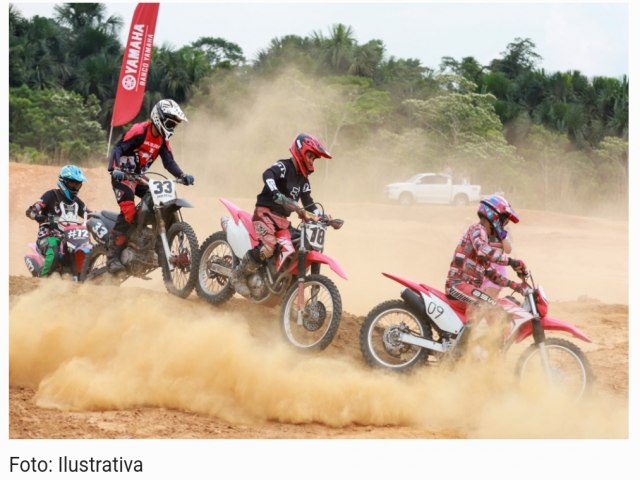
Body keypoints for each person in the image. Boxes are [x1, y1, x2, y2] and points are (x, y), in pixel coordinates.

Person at [230, 133, 332, 296]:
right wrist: (276, 192)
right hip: (264, 213)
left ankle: (285, 289)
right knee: (269, 246)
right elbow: (267, 174)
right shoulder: (284, 166)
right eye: (310, 155)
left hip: (282, 221)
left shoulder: (303, 180)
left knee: (300, 244)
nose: (312, 160)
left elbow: (309, 203)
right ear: (300, 151)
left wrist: (323, 216)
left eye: (314, 158)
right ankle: (238, 276)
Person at [106, 98, 195, 273]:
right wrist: (114, 169)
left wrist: (182, 175)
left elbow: (169, 162)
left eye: (175, 125)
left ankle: (157, 246)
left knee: (160, 202)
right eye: (171, 123)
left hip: (139, 177)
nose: (172, 127)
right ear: (158, 118)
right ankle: (112, 256)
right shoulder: (139, 131)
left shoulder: (162, 140)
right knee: (129, 211)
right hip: (123, 175)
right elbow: (118, 148)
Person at [445, 194, 527, 310]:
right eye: (503, 220)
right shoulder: (477, 230)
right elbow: (483, 251)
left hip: (469, 289)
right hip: (458, 286)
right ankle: (472, 328)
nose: (503, 225)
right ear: (494, 217)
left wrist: (513, 285)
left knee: (500, 307)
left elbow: (490, 273)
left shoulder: (483, 238)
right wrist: (511, 262)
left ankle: (474, 328)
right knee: (491, 306)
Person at [25, 165, 89, 277]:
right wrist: (37, 216)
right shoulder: (51, 195)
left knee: (89, 249)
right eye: (72, 183)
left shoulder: (77, 202)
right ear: (63, 182)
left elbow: (89, 213)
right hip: (48, 237)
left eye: (78, 184)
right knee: (53, 252)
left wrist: (97, 218)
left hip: (71, 237)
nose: (75, 187)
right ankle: (40, 280)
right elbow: (30, 211)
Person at [481, 211, 513, 299]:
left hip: (498, 271)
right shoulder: (483, 231)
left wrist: (502, 235)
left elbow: (508, 250)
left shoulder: (504, 234)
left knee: (487, 302)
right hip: (483, 271)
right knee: (480, 304)